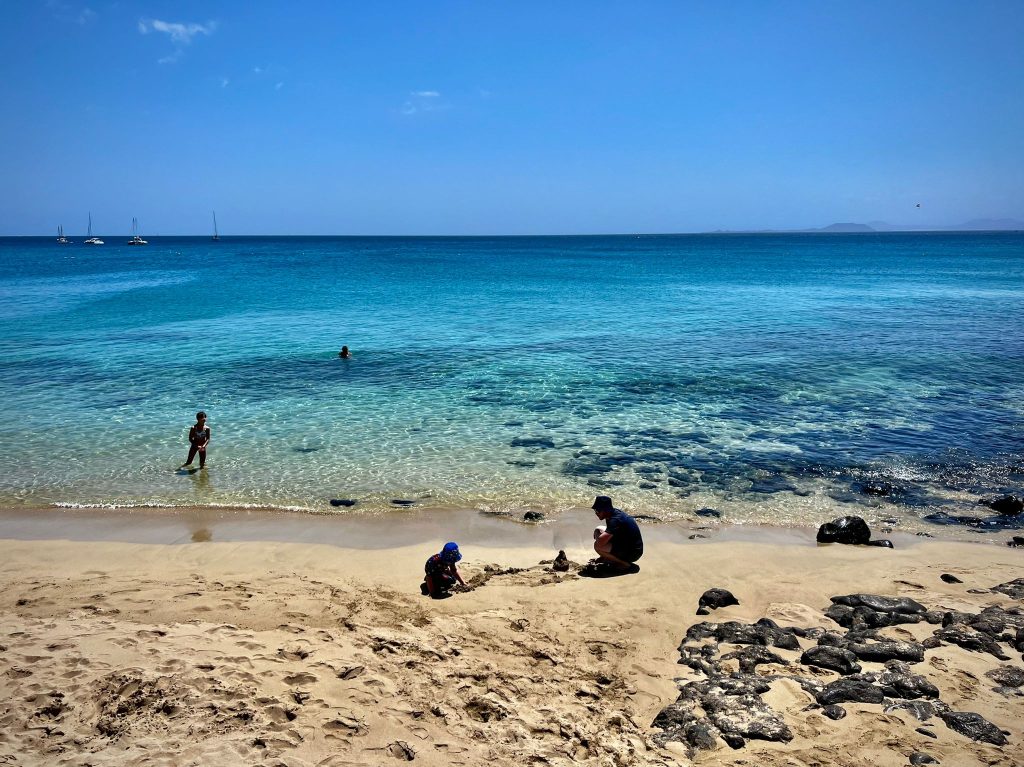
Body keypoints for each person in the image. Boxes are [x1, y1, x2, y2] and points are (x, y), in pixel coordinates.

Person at [591, 496, 643, 573]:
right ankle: (607, 557)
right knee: (600, 529)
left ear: (606, 510)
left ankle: (624, 563)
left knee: (597, 546)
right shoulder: (613, 514)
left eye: (598, 510)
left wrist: (596, 532)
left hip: (633, 553)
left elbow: (600, 543)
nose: (596, 513)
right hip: (628, 544)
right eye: (595, 510)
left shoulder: (615, 520)